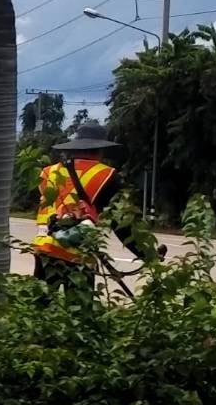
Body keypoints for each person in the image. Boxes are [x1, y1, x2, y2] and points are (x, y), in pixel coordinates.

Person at [31, 120, 158, 290]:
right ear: (101, 149)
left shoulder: (48, 172)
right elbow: (122, 224)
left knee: (40, 302)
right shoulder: (106, 175)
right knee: (79, 305)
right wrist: (148, 256)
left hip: (45, 252)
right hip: (79, 255)